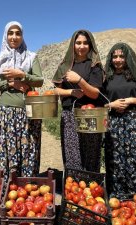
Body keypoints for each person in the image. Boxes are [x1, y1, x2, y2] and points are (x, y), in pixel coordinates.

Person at [0, 21, 43, 180]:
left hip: (29, 112)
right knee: (7, 150)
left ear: (22, 36)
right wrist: (9, 83)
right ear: (5, 36)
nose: (14, 36)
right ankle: (8, 187)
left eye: (18, 33)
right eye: (10, 33)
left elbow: (39, 80)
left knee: (29, 149)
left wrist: (21, 74)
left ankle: (27, 186)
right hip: (6, 113)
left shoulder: (31, 57)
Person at [103, 42, 136, 197]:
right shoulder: (107, 79)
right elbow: (101, 103)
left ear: (128, 58)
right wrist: (112, 104)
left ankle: (135, 194)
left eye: (121, 56)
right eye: (115, 56)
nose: (118, 60)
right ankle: (116, 194)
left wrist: (131, 100)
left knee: (133, 157)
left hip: (133, 121)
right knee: (114, 158)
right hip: (113, 121)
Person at [52, 30, 104, 172]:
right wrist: (71, 92)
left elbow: (95, 94)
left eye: (85, 43)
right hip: (69, 115)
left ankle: (92, 188)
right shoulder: (65, 66)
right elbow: (56, 90)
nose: (81, 46)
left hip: (90, 115)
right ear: (73, 45)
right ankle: (73, 188)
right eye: (78, 43)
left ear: (90, 45)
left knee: (91, 155)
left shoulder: (95, 66)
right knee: (71, 154)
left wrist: (79, 80)